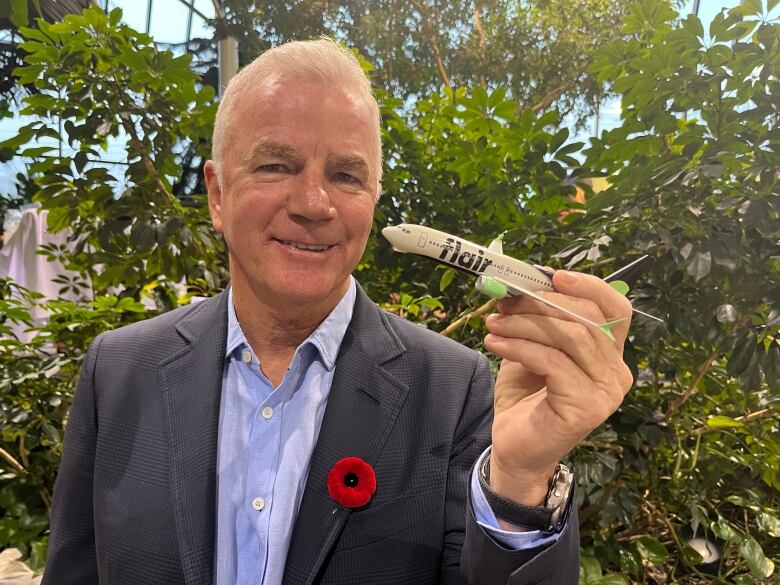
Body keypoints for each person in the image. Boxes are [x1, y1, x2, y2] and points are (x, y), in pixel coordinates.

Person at [42, 39, 634, 585]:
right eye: (276, 165)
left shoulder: (453, 390)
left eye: (346, 175)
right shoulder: (117, 373)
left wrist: (522, 482)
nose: (313, 204)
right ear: (218, 194)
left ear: (373, 202)